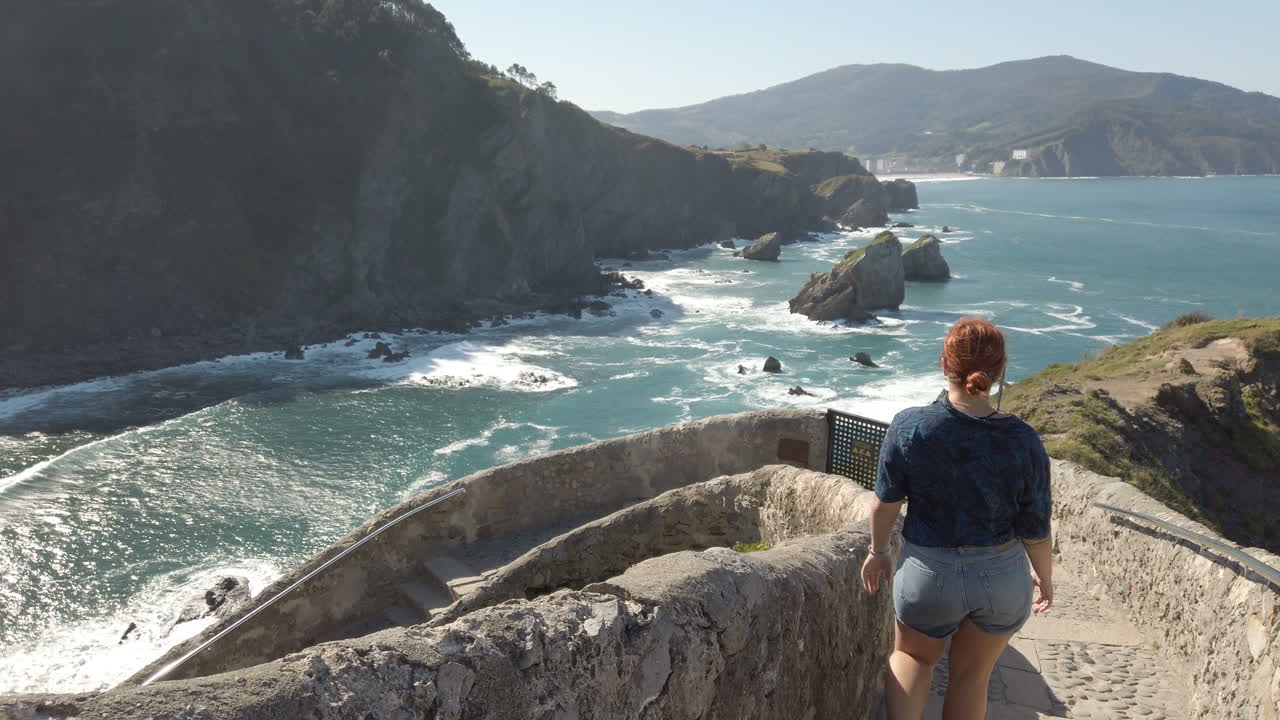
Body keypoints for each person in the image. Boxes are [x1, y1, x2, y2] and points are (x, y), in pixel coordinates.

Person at [860, 317, 1053, 720]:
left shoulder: (910, 426)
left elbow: (885, 504)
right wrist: (1044, 578)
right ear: (1000, 373)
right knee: (972, 678)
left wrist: (878, 552)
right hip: (1001, 576)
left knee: (913, 657)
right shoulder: (1023, 440)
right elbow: (1035, 528)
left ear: (943, 365)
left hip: (928, 572)